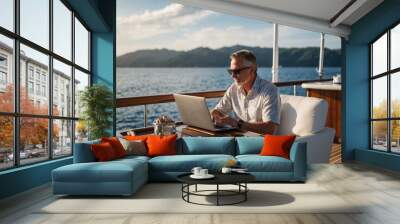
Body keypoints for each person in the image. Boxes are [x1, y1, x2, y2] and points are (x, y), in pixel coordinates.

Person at [211, 49, 280, 135]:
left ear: (251, 70)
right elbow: (217, 111)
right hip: (238, 138)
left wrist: (237, 123)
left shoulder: (269, 90)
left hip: (259, 142)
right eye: (231, 71)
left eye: (237, 71)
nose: (233, 76)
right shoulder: (233, 89)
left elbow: (270, 128)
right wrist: (218, 117)